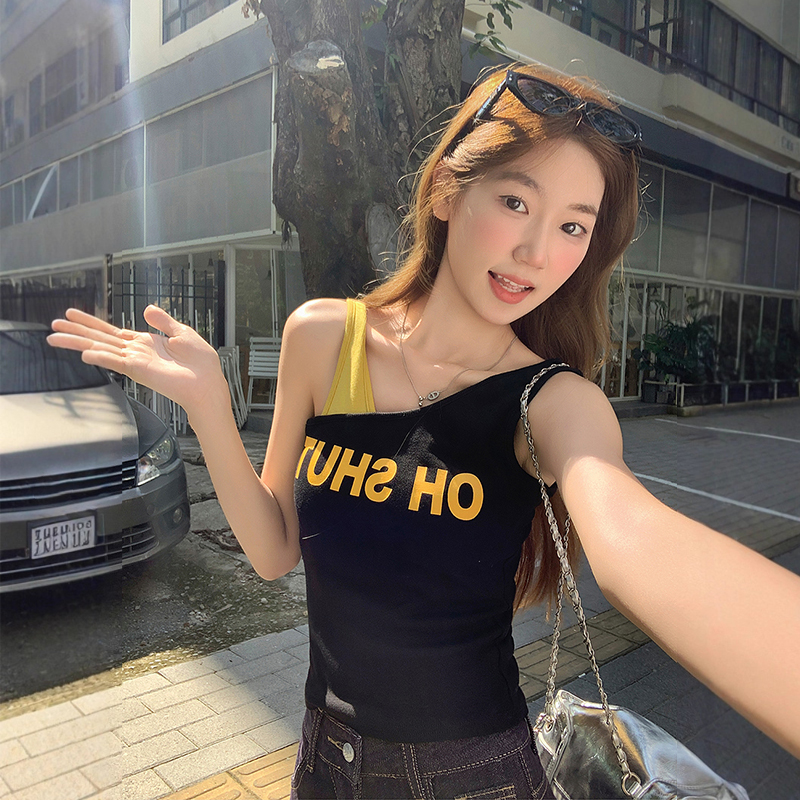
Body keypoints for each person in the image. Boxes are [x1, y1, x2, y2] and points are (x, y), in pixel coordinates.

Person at [49, 64, 800, 798]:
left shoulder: (554, 400)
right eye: (515, 201)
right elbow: (275, 552)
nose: (537, 253)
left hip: (473, 775)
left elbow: (637, 544)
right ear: (445, 190)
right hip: (324, 763)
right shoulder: (325, 338)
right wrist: (211, 405)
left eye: (573, 226)